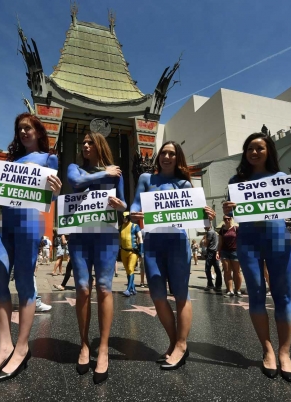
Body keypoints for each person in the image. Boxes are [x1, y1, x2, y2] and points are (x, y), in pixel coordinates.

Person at [223, 132, 291, 382]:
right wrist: (227, 209)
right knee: (255, 294)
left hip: (277, 238)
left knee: (283, 294)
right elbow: (233, 213)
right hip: (248, 241)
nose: (254, 152)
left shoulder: (283, 178)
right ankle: (267, 350)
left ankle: (285, 353)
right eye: (250, 148)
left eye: (260, 148)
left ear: (269, 151)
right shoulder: (236, 180)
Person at [0, 113, 62, 383]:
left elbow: (51, 196)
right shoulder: (9, 162)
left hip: (28, 226)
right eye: (20, 129)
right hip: (5, 227)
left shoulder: (49, 159)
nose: (24, 132)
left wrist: (57, 191)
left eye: (29, 127)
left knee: (25, 282)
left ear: (38, 131)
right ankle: (5, 345)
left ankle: (22, 346)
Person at [131, 141, 215, 371]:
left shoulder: (184, 183)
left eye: (172, 153)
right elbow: (135, 205)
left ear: (177, 158)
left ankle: (181, 343)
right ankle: (173, 341)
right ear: (158, 156)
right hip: (153, 244)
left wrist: (207, 213)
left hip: (177, 243)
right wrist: (132, 213)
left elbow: (199, 214)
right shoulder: (146, 179)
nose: (167, 156)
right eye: (164, 153)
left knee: (181, 293)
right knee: (157, 295)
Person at [67, 132, 127, 384]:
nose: (86, 146)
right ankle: (83, 344)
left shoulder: (117, 173)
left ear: (100, 146)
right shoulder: (75, 167)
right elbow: (76, 183)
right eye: (84, 144)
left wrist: (120, 206)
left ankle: (102, 348)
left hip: (105, 236)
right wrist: (106, 174)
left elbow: (124, 205)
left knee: (104, 288)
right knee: (82, 288)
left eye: (91, 143)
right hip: (80, 235)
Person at [119, 211, 142, 296]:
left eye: (126, 217)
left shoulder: (135, 226)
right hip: (123, 251)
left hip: (133, 251)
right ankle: (133, 288)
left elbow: (140, 238)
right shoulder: (121, 227)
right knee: (128, 271)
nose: (124, 219)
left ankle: (128, 289)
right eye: (123, 217)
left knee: (130, 268)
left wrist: (141, 251)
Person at [219, 216, 242, 297]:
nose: (227, 220)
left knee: (237, 271)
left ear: (232, 219)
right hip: (225, 252)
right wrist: (218, 252)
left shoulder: (236, 228)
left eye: (229, 218)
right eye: (225, 219)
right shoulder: (222, 230)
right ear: (223, 220)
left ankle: (238, 290)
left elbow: (240, 240)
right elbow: (220, 242)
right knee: (227, 271)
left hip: (235, 251)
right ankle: (230, 290)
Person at [204, 224, 222, 291]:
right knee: (217, 269)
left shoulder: (209, 232)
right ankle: (218, 285)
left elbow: (206, 244)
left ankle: (210, 284)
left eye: (205, 225)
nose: (204, 227)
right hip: (215, 251)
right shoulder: (214, 232)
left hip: (211, 252)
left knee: (207, 269)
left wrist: (205, 237)